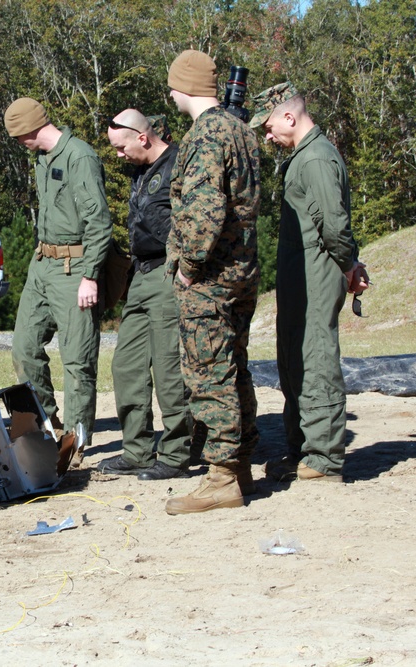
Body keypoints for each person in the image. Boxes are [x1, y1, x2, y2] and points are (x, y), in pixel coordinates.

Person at [249, 82, 368, 482]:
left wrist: (350, 265)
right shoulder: (302, 156)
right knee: (294, 359)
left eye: (268, 127)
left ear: (289, 115)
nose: (267, 136)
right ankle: (303, 448)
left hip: (317, 275)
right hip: (301, 277)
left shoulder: (315, 158)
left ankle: (324, 456)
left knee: (315, 358)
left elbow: (333, 226)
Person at [163, 50, 261, 514]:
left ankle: (222, 475)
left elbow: (205, 212)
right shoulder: (241, 129)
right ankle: (239, 464)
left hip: (212, 276)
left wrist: (186, 266)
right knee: (234, 366)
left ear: (181, 86)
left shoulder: (206, 134)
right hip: (241, 271)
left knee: (208, 370)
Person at [2, 97, 112, 447]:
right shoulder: (41, 158)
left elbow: (99, 222)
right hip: (42, 263)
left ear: (32, 128)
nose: (19, 143)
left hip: (75, 266)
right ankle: (46, 424)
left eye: (19, 135)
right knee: (24, 348)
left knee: (78, 361)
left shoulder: (80, 157)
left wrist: (90, 275)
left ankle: (75, 442)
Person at [97, 110, 192, 481]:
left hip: (169, 273)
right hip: (141, 274)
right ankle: (136, 450)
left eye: (121, 148)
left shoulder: (179, 165)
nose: (119, 156)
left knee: (168, 366)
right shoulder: (141, 172)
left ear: (142, 137)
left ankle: (176, 453)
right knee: (127, 364)